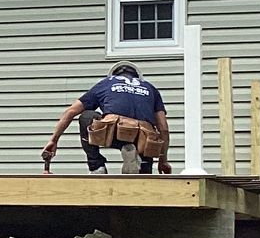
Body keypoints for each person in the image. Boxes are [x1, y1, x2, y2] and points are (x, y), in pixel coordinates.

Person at [43, 62, 172, 175]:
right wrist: (163, 160)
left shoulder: (106, 84)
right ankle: (138, 161)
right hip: (143, 139)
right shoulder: (151, 89)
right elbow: (163, 128)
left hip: (115, 131)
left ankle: (97, 166)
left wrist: (54, 140)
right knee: (143, 181)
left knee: (87, 117)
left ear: (113, 75)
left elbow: (71, 112)